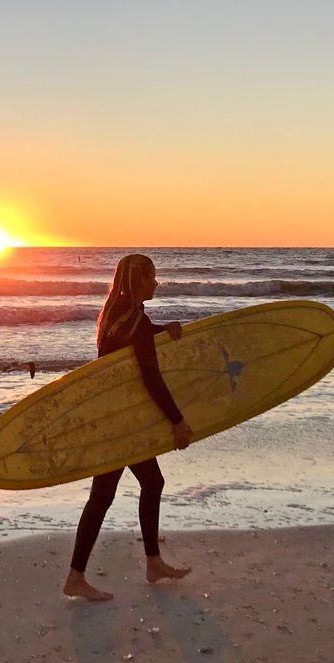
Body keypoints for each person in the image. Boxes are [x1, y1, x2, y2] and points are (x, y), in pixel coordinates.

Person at [63, 253, 193, 601]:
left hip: (112, 419)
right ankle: (78, 577)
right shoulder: (132, 319)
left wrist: (163, 329)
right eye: (151, 277)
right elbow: (151, 377)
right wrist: (178, 421)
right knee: (112, 493)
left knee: (137, 486)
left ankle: (151, 562)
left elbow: (139, 340)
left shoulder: (120, 315)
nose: (156, 282)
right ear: (137, 281)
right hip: (120, 426)